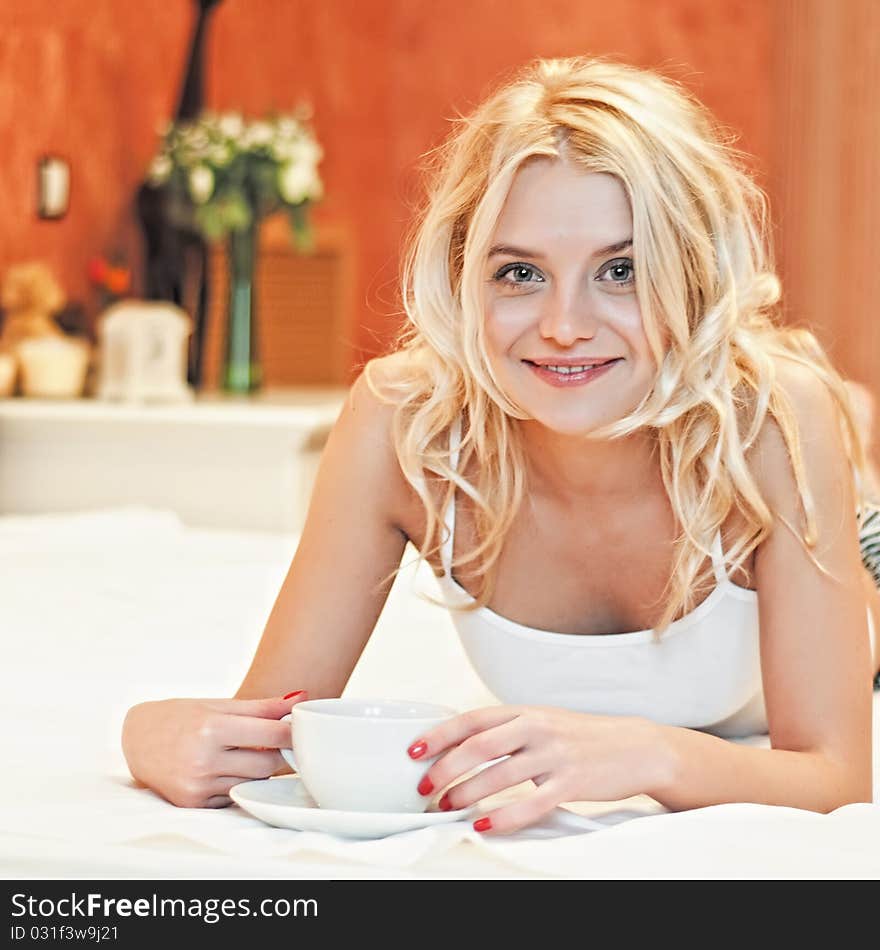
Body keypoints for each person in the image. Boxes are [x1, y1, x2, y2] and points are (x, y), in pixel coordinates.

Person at [122, 55, 880, 830]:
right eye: (520, 274)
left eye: (621, 269)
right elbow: (269, 736)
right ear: (464, 278)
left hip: (847, 538)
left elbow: (835, 777)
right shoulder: (403, 421)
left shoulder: (776, 421)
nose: (563, 326)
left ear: (690, 273)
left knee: (838, 453)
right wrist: (147, 732)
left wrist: (652, 753)